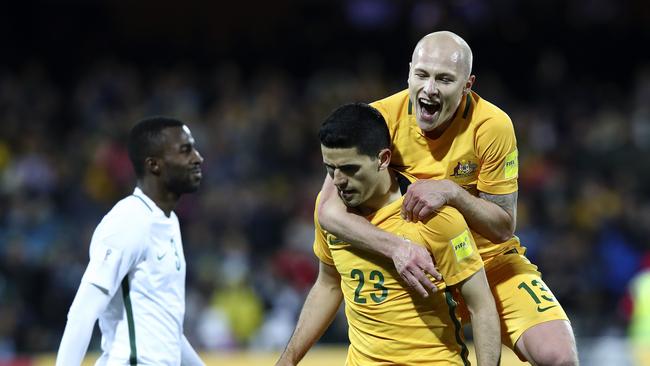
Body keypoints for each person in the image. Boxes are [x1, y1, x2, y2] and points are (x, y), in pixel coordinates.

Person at [318, 31, 578, 365]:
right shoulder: (380, 119)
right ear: (409, 71)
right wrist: (396, 248)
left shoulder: (492, 125)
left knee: (560, 358)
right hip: (421, 272)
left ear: (467, 85)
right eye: (422, 75)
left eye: (444, 79)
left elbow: (503, 227)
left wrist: (452, 192)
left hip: (490, 263)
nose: (429, 89)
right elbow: (329, 212)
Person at [276, 103, 501, 365]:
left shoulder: (436, 217)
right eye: (330, 169)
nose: (338, 180)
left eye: (350, 169)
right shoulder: (330, 215)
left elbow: (481, 306)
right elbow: (328, 284)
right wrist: (288, 360)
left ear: (383, 159)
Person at [55, 117, 205, 366]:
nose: (198, 158)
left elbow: (167, 332)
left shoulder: (169, 223)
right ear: (154, 164)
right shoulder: (128, 220)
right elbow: (83, 312)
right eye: (186, 150)